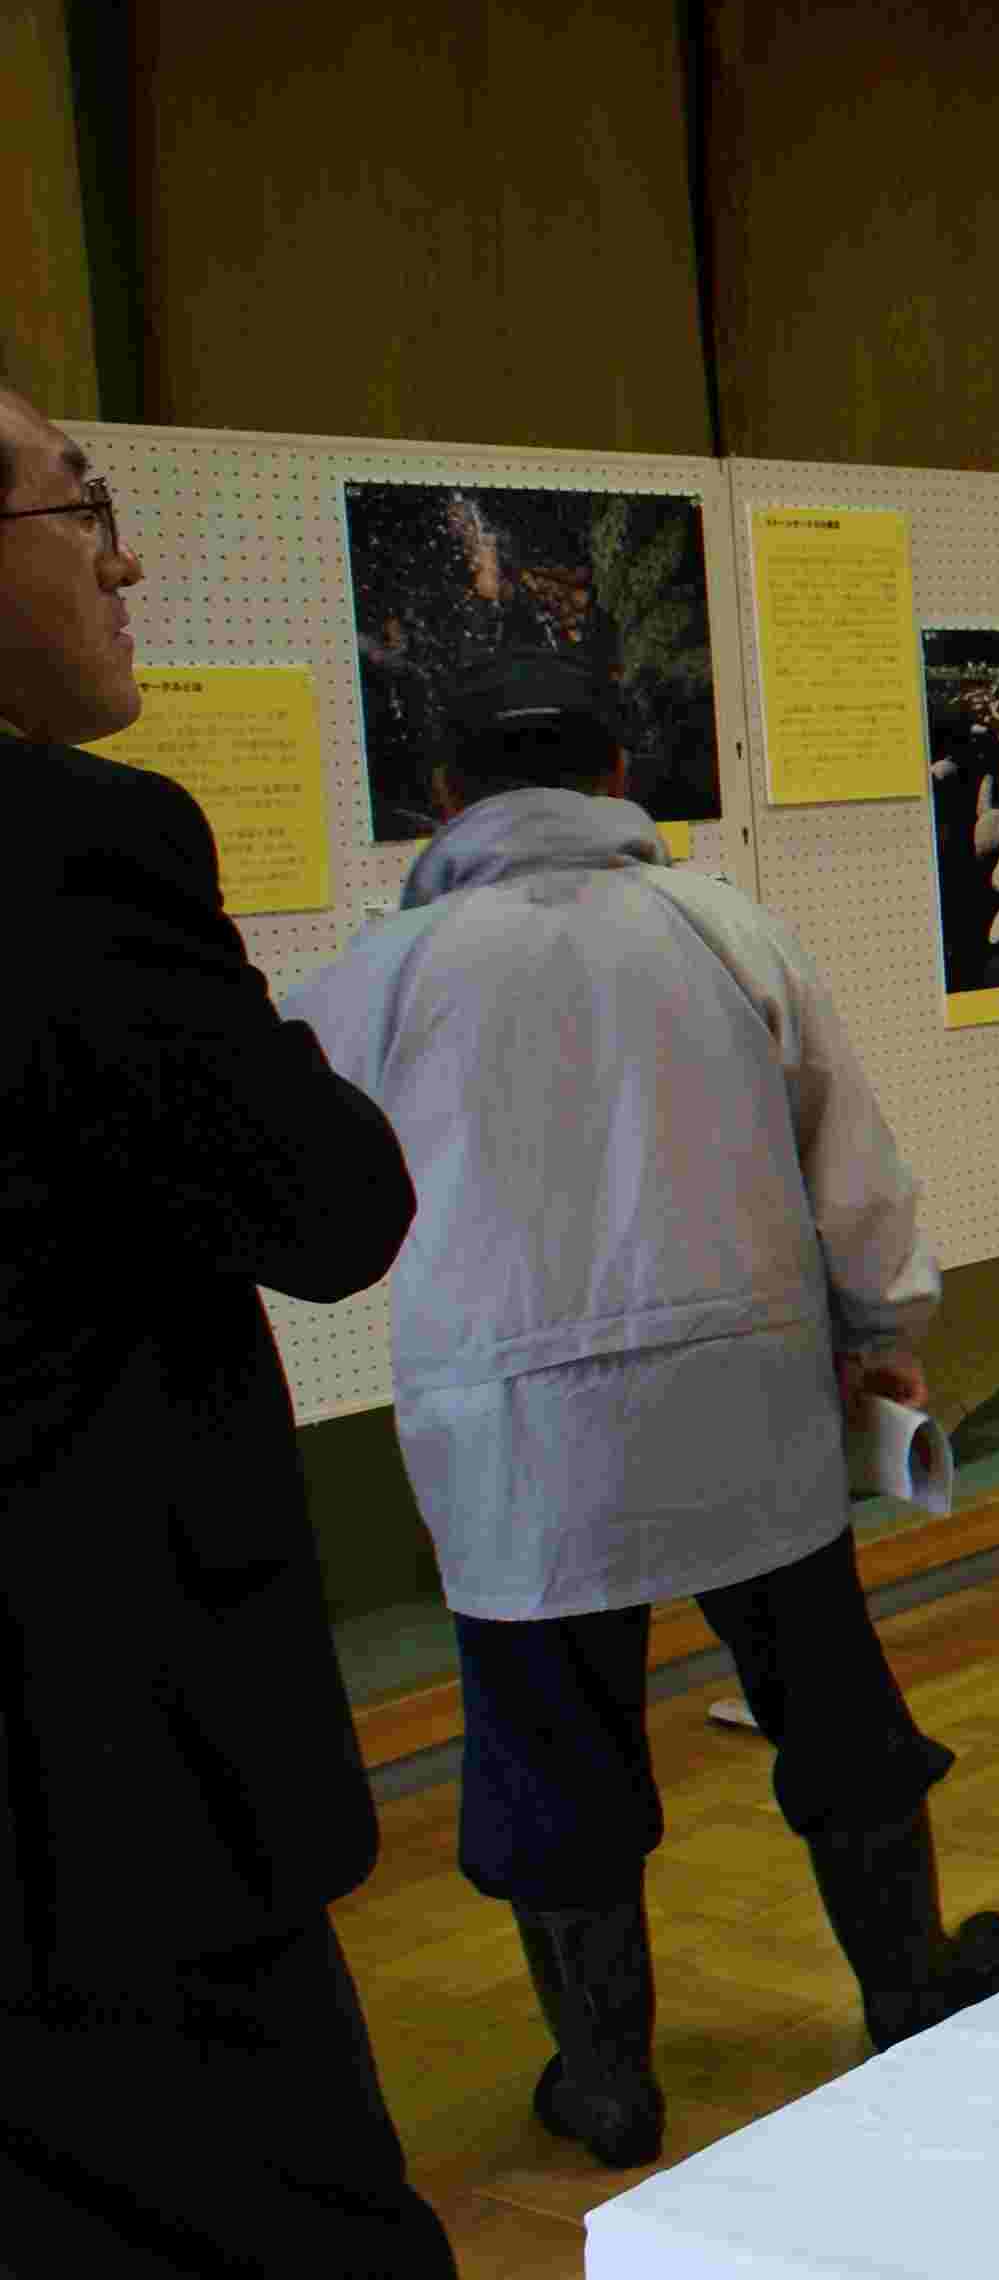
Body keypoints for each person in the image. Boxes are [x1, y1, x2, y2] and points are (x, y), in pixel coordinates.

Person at [288, 654, 999, 2171]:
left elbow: (305, 1190)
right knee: (832, 1708)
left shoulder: (382, 969)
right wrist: (885, 1334)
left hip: (511, 1430)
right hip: (743, 1393)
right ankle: (906, 1991)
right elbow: (853, 1169)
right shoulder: (723, 924)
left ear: (443, 800)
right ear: (621, 784)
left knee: (550, 1749)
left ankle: (607, 2083)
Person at [0, 385, 459, 2274]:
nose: (122, 555)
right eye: (81, 502)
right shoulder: (73, 849)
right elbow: (330, 1205)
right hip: (105, 1777)